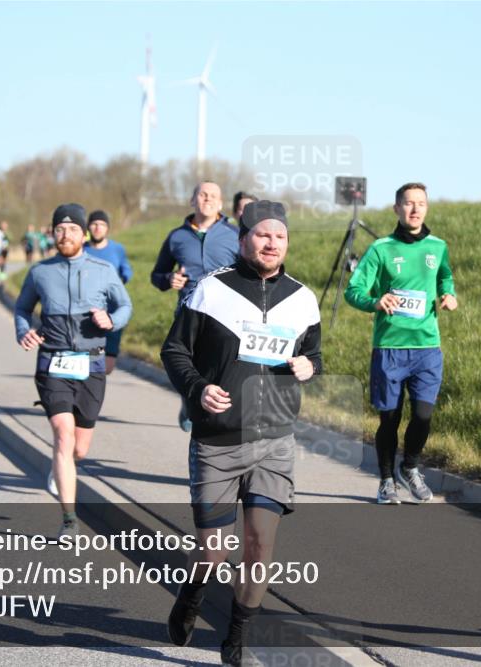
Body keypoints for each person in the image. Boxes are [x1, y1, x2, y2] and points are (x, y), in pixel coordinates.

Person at [161, 200, 321, 666]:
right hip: (218, 440)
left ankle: (236, 639)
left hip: (274, 441)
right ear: (244, 238)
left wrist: (310, 366)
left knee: (258, 546)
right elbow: (175, 351)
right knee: (213, 552)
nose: (272, 243)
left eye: (280, 236)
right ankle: (192, 595)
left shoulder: (302, 299)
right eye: (263, 234)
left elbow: (313, 356)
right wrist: (198, 388)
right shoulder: (212, 291)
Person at [14, 203, 132, 538]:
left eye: (73, 230)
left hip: (91, 362)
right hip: (52, 360)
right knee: (63, 436)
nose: (65, 235)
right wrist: (24, 331)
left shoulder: (103, 270)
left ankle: (63, 466)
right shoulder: (40, 271)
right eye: (59, 229)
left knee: (79, 449)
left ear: (83, 234)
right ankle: (69, 520)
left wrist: (112, 321)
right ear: (52, 233)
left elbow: (125, 305)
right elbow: (23, 307)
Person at [344, 182, 457, 505]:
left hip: (427, 347)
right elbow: (354, 291)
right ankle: (385, 480)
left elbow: (445, 277)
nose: (415, 209)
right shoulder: (381, 249)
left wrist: (449, 294)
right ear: (397, 208)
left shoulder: (438, 247)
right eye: (408, 203)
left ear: (427, 208)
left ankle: (410, 467)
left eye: (421, 203)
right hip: (390, 347)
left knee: (423, 415)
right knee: (389, 419)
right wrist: (375, 302)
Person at [151, 181, 240, 431]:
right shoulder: (176, 237)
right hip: (188, 315)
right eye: (202, 194)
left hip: (226, 316)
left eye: (213, 196)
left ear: (221, 204)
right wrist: (168, 279)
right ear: (192, 200)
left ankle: (219, 415)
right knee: (189, 365)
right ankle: (190, 401)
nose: (207, 199)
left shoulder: (234, 236)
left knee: (221, 368)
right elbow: (157, 275)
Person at [85, 209, 134, 375]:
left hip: (112, 313)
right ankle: (88, 390)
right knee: (92, 364)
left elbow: (126, 270)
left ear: (107, 228)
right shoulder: (82, 250)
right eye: (94, 224)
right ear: (88, 227)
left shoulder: (117, 249)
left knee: (107, 367)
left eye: (102, 225)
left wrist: (119, 282)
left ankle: (92, 385)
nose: (98, 228)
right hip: (88, 315)